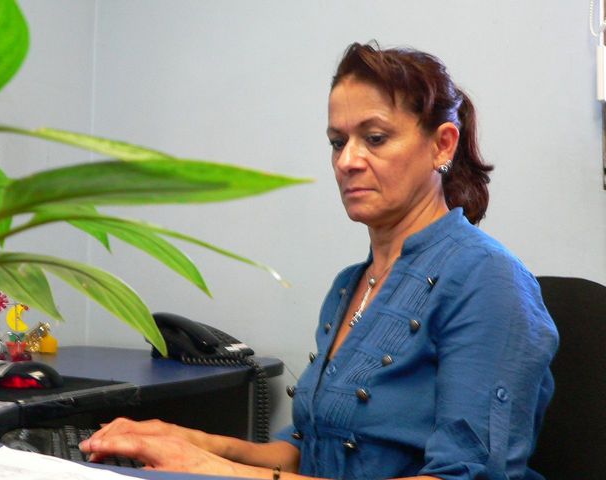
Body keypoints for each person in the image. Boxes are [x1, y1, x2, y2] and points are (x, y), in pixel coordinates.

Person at [79, 42, 559, 480]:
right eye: (337, 142)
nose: (347, 160)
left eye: (375, 138)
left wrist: (216, 469)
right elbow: (306, 453)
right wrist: (187, 442)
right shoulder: (350, 285)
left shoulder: (487, 279)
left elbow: (465, 476)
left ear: (442, 145)